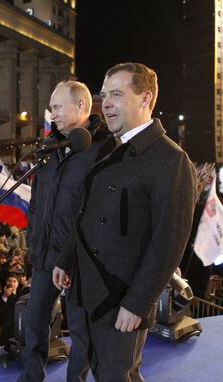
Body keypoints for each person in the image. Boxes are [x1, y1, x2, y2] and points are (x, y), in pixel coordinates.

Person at [53, 63, 198, 381]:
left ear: (145, 99)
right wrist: (66, 259)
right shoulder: (107, 151)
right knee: (87, 367)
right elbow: (84, 214)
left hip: (121, 299)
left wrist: (139, 303)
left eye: (116, 95)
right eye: (104, 95)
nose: (105, 103)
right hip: (85, 288)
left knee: (118, 375)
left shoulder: (172, 161)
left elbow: (169, 242)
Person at [19, 80, 110, 382]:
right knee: (34, 323)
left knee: (81, 332)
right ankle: (31, 377)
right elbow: (36, 203)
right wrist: (34, 244)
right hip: (45, 255)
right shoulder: (49, 149)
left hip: (79, 261)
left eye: (57, 107)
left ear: (81, 106)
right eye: (51, 107)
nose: (52, 114)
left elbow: (95, 212)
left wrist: (69, 257)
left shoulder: (101, 150)